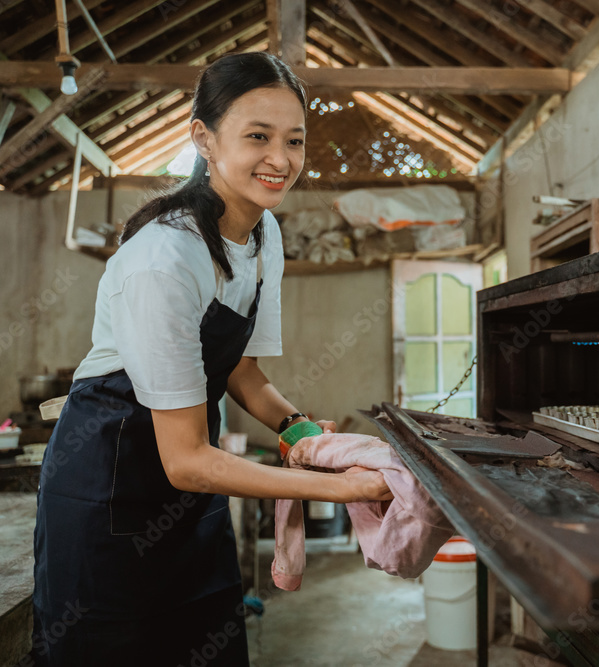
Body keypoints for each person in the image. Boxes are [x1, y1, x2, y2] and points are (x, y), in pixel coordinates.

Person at [29, 52, 391, 666]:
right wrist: (340, 486)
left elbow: (241, 371)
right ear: (203, 137)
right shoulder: (165, 259)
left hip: (190, 496)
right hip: (109, 490)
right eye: (257, 137)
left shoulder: (262, 234)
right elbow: (187, 458)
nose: (281, 160)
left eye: (294, 141)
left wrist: (297, 428)